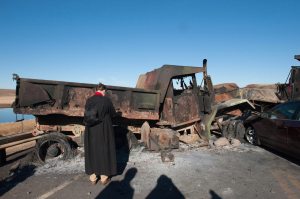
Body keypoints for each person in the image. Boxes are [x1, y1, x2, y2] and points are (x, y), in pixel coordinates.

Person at [83, 83, 118, 185]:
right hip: (103, 129)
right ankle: (103, 177)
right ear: (103, 91)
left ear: (96, 91)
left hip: (91, 129)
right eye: (105, 91)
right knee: (104, 150)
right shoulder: (106, 100)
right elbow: (113, 114)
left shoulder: (89, 100)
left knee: (92, 150)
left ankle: (93, 177)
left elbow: (87, 114)